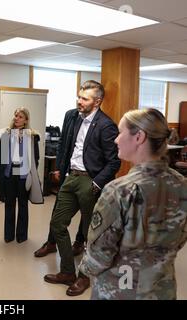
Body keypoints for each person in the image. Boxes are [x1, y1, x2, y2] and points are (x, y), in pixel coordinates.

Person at [78, 108, 187, 300]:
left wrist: (85, 268)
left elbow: (99, 256)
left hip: (119, 291)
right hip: (162, 290)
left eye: (121, 133)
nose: (116, 139)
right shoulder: (182, 184)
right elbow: (179, 240)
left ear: (139, 137)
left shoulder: (120, 190)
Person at [42, 80, 121, 296]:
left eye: (84, 98)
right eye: (79, 96)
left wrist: (96, 184)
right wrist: (64, 170)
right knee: (58, 223)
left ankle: (84, 277)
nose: (79, 101)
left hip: (90, 180)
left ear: (97, 101)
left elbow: (114, 162)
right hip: (71, 177)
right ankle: (67, 271)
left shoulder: (106, 125)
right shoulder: (76, 119)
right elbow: (71, 147)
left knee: (89, 234)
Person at [0, 107, 42, 243]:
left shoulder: (32, 136)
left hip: (23, 175)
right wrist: (0, 177)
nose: (17, 118)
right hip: (10, 174)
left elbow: (36, 158)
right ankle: (9, 235)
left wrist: (31, 175)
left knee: (23, 205)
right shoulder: (6, 135)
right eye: (16, 115)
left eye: (20, 116)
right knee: (9, 205)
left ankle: (21, 236)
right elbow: (1, 158)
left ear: (26, 120)